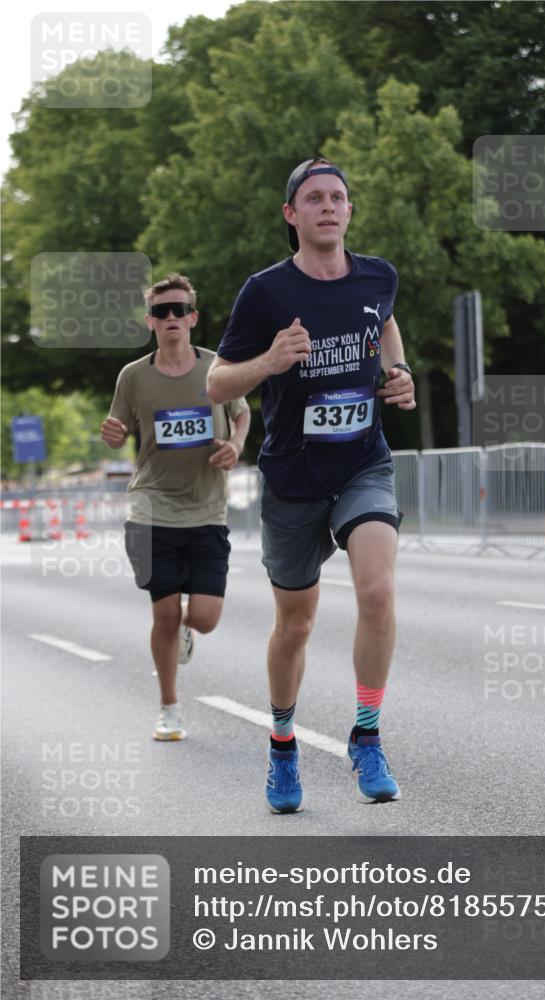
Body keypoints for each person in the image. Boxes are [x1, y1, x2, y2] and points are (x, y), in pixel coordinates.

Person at [207, 157, 415, 812]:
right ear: (291, 215)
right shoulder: (265, 292)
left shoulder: (378, 275)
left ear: (349, 211)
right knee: (294, 625)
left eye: (338, 197)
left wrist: (397, 370)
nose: (328, 206)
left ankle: (366, 734)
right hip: (293, 477)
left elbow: (382, 321)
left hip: (362, 462)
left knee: (377, 592)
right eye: (314, 198)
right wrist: (269, 361)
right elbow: (216, 384)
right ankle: (282, 742)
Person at [101, 273, 250, 741]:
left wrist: (236, 445)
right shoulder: (134, 376)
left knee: (203, 618)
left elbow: (243, 413)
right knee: (163, 613)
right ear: (150, 321)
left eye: (178, 310)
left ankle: (184, 632)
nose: (170, 318)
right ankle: (168, 708)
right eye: (161, 311)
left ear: (193, 318)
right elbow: (118, 428)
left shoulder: (217, 370)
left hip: (207, 508)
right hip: (150, 508)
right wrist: (112, 434)